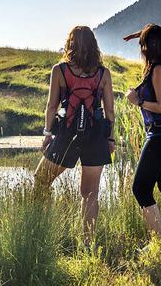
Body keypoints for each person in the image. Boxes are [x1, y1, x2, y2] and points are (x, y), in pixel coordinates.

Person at [34, 25, 116, 244]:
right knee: (90, 194)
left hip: (67, 135)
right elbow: (109, 111)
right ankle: (88, 244)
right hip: (96, 136)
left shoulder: (59, 70)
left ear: (70, 43)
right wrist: (110, 138)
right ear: (93, 45)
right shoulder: (103, 73)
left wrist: (48, 134)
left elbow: (51, 107)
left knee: (40, 180)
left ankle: (41, 232)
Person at [124, 23, 161, 244]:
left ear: (151, 46)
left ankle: (157, 244)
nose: (141, 49)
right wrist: (142, 34)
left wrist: (137, 100)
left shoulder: (158, 69)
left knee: (140, 188)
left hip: (159, 135)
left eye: (143, 44)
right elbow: (157, 32)